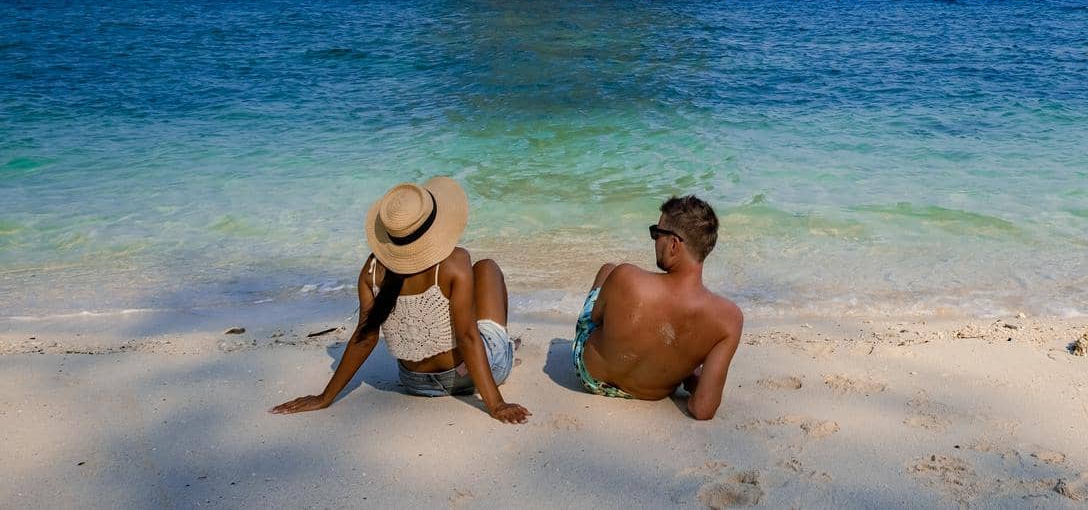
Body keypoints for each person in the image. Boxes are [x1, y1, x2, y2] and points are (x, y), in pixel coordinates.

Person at [271, 176, 529, 423]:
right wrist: (496, 404)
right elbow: (467, 337)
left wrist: (325, 397)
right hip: (468, 378)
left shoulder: (372, 270)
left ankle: (503, 347)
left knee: (461, 305)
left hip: (414, 382)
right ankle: (504, 349)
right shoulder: (455, 262)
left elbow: (365, 337)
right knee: (486, 269)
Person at [573, 194, 743, 419]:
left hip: (592, 378)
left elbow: (595, 319)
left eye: (656, 233)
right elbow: (703, 410)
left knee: (607, 270)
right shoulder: (729, 320)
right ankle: (682, 365)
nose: (654, 240)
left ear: (673, 244)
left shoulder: (625, 277)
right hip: (650, 392)